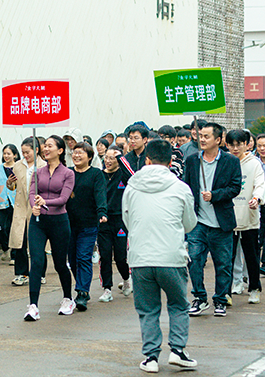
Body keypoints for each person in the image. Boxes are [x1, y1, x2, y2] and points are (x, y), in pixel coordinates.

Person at [122, 139, 198, 373]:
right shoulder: (180, 187)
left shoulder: (132, 186)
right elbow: (189, 223)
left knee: (148, 309)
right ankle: (177, 350)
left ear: (147, 159)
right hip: (171, 256)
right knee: (178, 304)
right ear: (170, 161)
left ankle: (151, 357)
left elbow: (127, 220)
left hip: (140, 257)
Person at [184, 122, 242, 317]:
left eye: (206, 136)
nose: (202, 139)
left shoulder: (230, 161)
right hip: (198, 223)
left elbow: (235, 187)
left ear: (218, 140)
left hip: (221, 223)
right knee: (195, 261)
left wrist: (215, 195)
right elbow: (186, 186)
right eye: (200, 135)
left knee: (223, 265)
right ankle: (200, 298)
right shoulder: (192, 160)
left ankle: (220, 299)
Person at [24, 135, 75, 319]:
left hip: (59, 222)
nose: (45, 149)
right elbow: (32, 192)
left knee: (60, 264)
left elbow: (63, 199)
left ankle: (68, 299)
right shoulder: (37, 172)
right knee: (36, 262)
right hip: (38, 222)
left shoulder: (68, 173)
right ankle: (33, 306)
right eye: (44, 146)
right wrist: (34, 206)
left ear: (60, 151)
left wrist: (46, 202)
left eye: (50, 146)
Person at [66, 142, 108, 311]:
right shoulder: (68, 173)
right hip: (68, 224)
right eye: (75, 152)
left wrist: (102, 212)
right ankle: (81, 284)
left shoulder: (96, 174)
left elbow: (100, 194)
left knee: (83, 257)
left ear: (90, 157)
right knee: (72, 259)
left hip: (89, 223)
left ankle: (82, 292)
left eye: (81, 153)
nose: (76, 155)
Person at [225, 130, 264, 304]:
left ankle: (254, 288)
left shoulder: (254, 163)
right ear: (226, 145)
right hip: (229, 216)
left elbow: (260, 184)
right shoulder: (225, 162)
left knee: (252, 255)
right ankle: (226, 291)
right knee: (228, 257)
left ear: (247, 144)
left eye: (239, 144)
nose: (235, 148)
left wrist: (257, 198)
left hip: (249, 214)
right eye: (232, 145)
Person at [7, 137, 45, 286]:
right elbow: (14, 186)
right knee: (20, 242)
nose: (25, 155)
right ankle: (21, 273)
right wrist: (10, 183)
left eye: (28, 152)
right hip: (21, 208)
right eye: (23, 152)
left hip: (36, 207)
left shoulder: (44, 165)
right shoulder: (18, 165)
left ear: (36, 150)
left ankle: (39, 273)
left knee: (37, 243)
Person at [97, 147, 133, 303]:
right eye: (106, 157)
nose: (108, 161)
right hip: (103, 220)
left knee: (120, 257)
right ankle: (107, 289)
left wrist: (120, 158)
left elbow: (132, 177)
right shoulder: (99, 175)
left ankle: (126, 278)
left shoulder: (123, 175)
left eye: (112, 158)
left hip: (120, 220)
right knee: (105, 255)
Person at [0, 144, 20, 262]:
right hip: (2, 201)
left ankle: (14, 255)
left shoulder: (19, 167)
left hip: (16, 202)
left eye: (9, 153)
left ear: (15, 155)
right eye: (4, 153)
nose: (6, 156)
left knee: (12, 228)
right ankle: (5, 248)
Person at [256, 134, 265, 275]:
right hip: (257, 202)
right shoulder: (254, 162)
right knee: (259, 234)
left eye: (264, 146)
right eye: (259, 146)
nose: (262, 148)